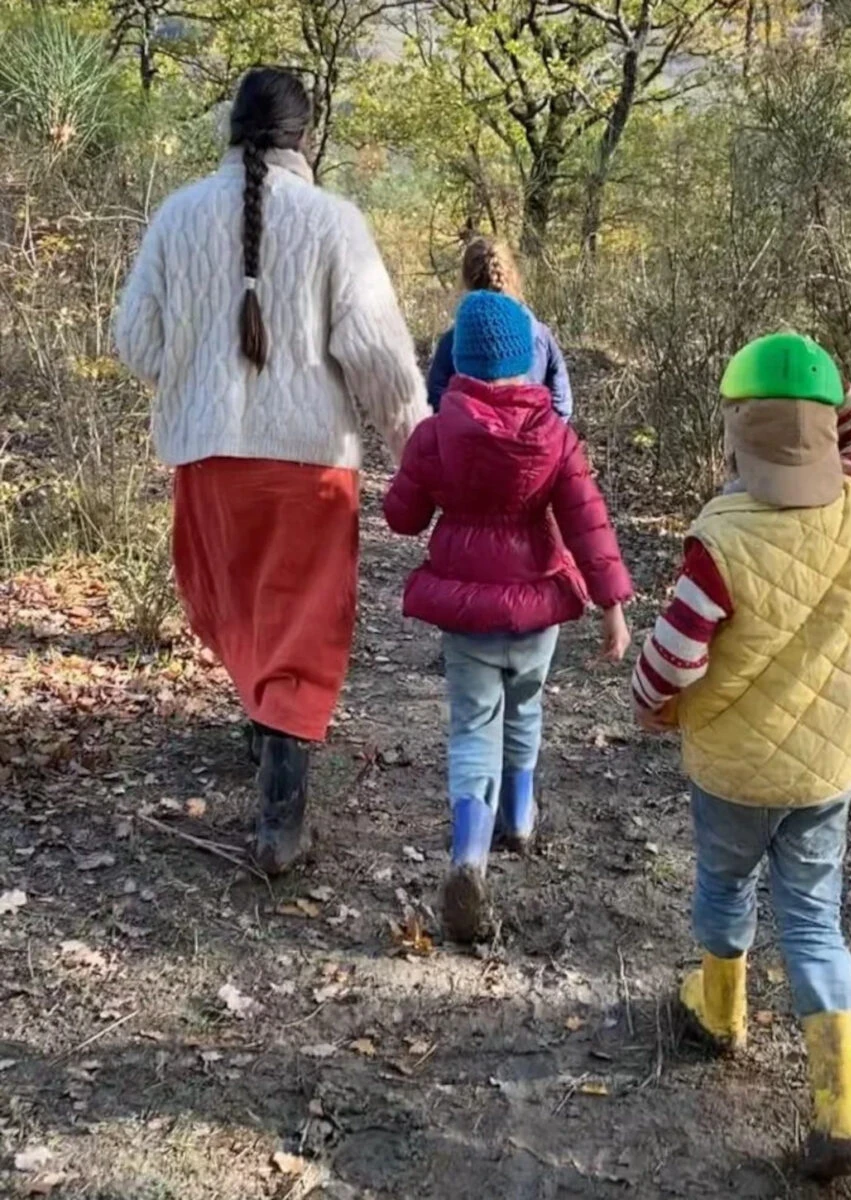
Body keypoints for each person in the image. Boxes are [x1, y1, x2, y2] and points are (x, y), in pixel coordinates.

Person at [114, 68, 429, 875]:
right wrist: (419, 457)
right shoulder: (334, 222)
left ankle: (268, 732)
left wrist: (197, 378)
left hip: (208, 459)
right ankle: (280, 816)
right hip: (310, 465)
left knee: (239, 606)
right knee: (300, 620)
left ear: (231, 128)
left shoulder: (176, 216)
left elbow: (138, 344)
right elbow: (379, 360)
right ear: (305, 137)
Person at [631, 332, 851, 1182]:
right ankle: (838, 1106)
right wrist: (825, 384)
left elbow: (673, 658)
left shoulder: (720, 536)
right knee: (814, 918)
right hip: (824, 767)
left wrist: (650, 706)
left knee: (724, 882)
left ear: (736, 432)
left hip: (734, 770)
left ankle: (719, 1012)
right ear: (823, 432)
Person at [385, 291, 632, 942]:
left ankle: (468, 854)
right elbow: (587, 523)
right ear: (527, 361)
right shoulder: (554, 435)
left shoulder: (434, 435)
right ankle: (518, 818)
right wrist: (611, 606)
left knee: (472, 726)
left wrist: (418, 474)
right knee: (524, 707)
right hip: (535, 605)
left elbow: (402, 518)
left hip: (466, 610)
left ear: (459, 361)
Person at [426, 237, 573, 421]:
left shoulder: (452, 340)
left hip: (467, 446)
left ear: (465, 279)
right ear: (512, 273)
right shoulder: (540, 335)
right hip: (531, 445)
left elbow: (435, 400)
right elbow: (562, 404)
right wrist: (544, 440)